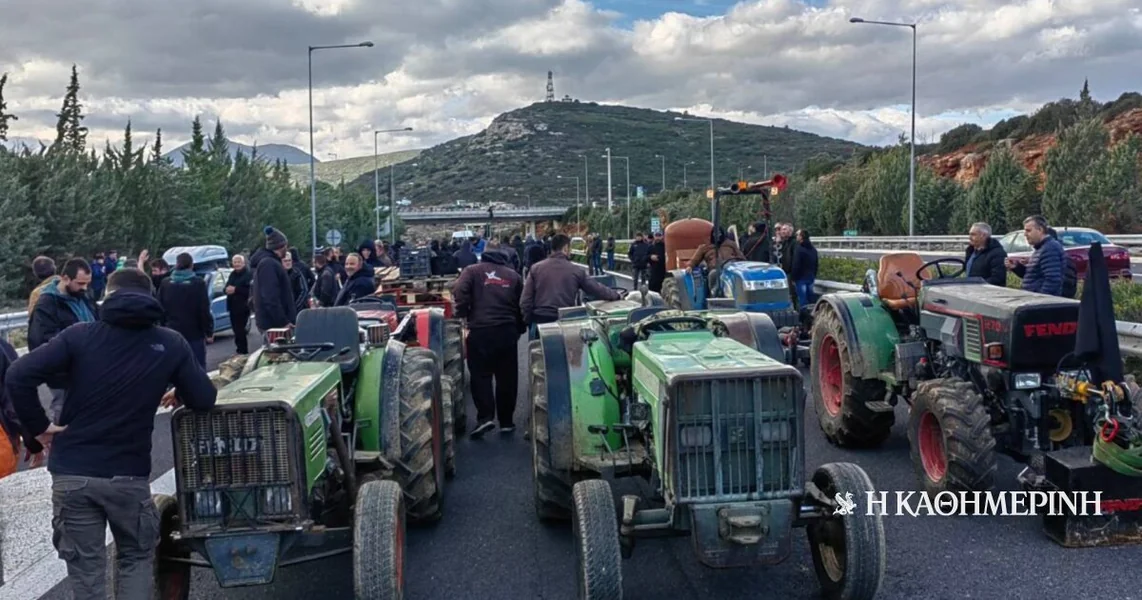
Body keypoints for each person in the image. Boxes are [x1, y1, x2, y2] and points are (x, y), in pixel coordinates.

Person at [5, 267, 217, 600]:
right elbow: (204, 399)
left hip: (72, 474)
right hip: (127, 476)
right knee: (135, 558)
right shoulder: (169, 342)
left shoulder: (79, 335)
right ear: (151, 296)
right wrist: (180, 386)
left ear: (108, 295)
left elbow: (18, 374)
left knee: (86, 571)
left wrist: (39, 428)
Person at [451, 241, 524, 437]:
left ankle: (485, 417)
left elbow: (459, 291)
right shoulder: (513, 276)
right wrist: (519, 328)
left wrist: (462, 312)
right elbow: (522, 304)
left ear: (484, 253)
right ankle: (506, 421)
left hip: (480, 330)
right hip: (506, 330)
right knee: (507, 377)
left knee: (480, 375)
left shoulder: (471, 271)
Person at [522, 234, 621, 332]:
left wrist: (529, 319)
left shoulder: (535, 268)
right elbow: (596, 289)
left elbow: (525, 300)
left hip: (539, 320)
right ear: (565, 248)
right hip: (564, 321)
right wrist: (616, 295)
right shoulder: (575, 270)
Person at [157, 253, 214, 369]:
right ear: (191, 265)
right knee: (197, 366)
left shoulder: (165, 283)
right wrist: (208, 331)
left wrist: (162, 327)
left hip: (171, 331)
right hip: (193, 332)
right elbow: (203, 309)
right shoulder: (198, 283)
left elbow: (160, 308)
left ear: (177, 264)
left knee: (175, 366)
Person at [250, 226, 297, 339]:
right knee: (278, 350)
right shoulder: (269, 264)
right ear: (282, 246)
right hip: (275, 326)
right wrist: (283, 322)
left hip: (275, 324)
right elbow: (270, 297)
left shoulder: (269, 263)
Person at [1007, 215, 1064, 296]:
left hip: (1041, 301)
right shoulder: (1041, 248)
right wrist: (1017, 267)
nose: (1025, 234)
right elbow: (1034, 276)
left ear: (1040, 230)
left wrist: (1040, 299)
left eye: (1028, 231)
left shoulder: (1050, 249)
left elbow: (1052, 280)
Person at [688, 226, 745, 295]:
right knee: (713, 274)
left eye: (719, 233)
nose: (718, 236)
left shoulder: (731, 244)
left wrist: (743, 263)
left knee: (738, 275)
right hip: (714, 268)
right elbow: (695, 259)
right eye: (715, 234)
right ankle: (714, 294)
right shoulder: (705, 247)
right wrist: (690, 266)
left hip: (730, 267)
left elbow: (741, 257)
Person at [224, 253, 253, 355]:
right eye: (235, 262)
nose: (237, 264)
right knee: (236, 330)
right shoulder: (232, 274)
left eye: (239, 262)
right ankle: (239, 349)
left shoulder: (248, 274)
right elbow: (227, 286)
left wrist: (236, 289)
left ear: (243, 263)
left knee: (240, 330)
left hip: (243, 306)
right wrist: (226, 289)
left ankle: (242, 351)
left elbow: (249, 290)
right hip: (232, 306)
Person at [964, 222, 1008, 286]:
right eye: (969, 234)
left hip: (988, 291)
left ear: (983, 235)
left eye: (973, 234)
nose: (970, 237)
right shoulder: (970, 251)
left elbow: (998, 279)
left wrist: (976, 285)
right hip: (971, 289)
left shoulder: (997, 253)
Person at [791, 229, 819, 307]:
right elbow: (816, 263)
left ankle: (804, 313)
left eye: (797, 235)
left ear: (801, 237)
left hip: (800, 278)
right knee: (810, 297)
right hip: (811, 276)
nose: (796, 236)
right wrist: (814, 275)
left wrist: (793, 277)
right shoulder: (813, 249)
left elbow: (796, 264)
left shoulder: (799, 249)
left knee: (802, 299)